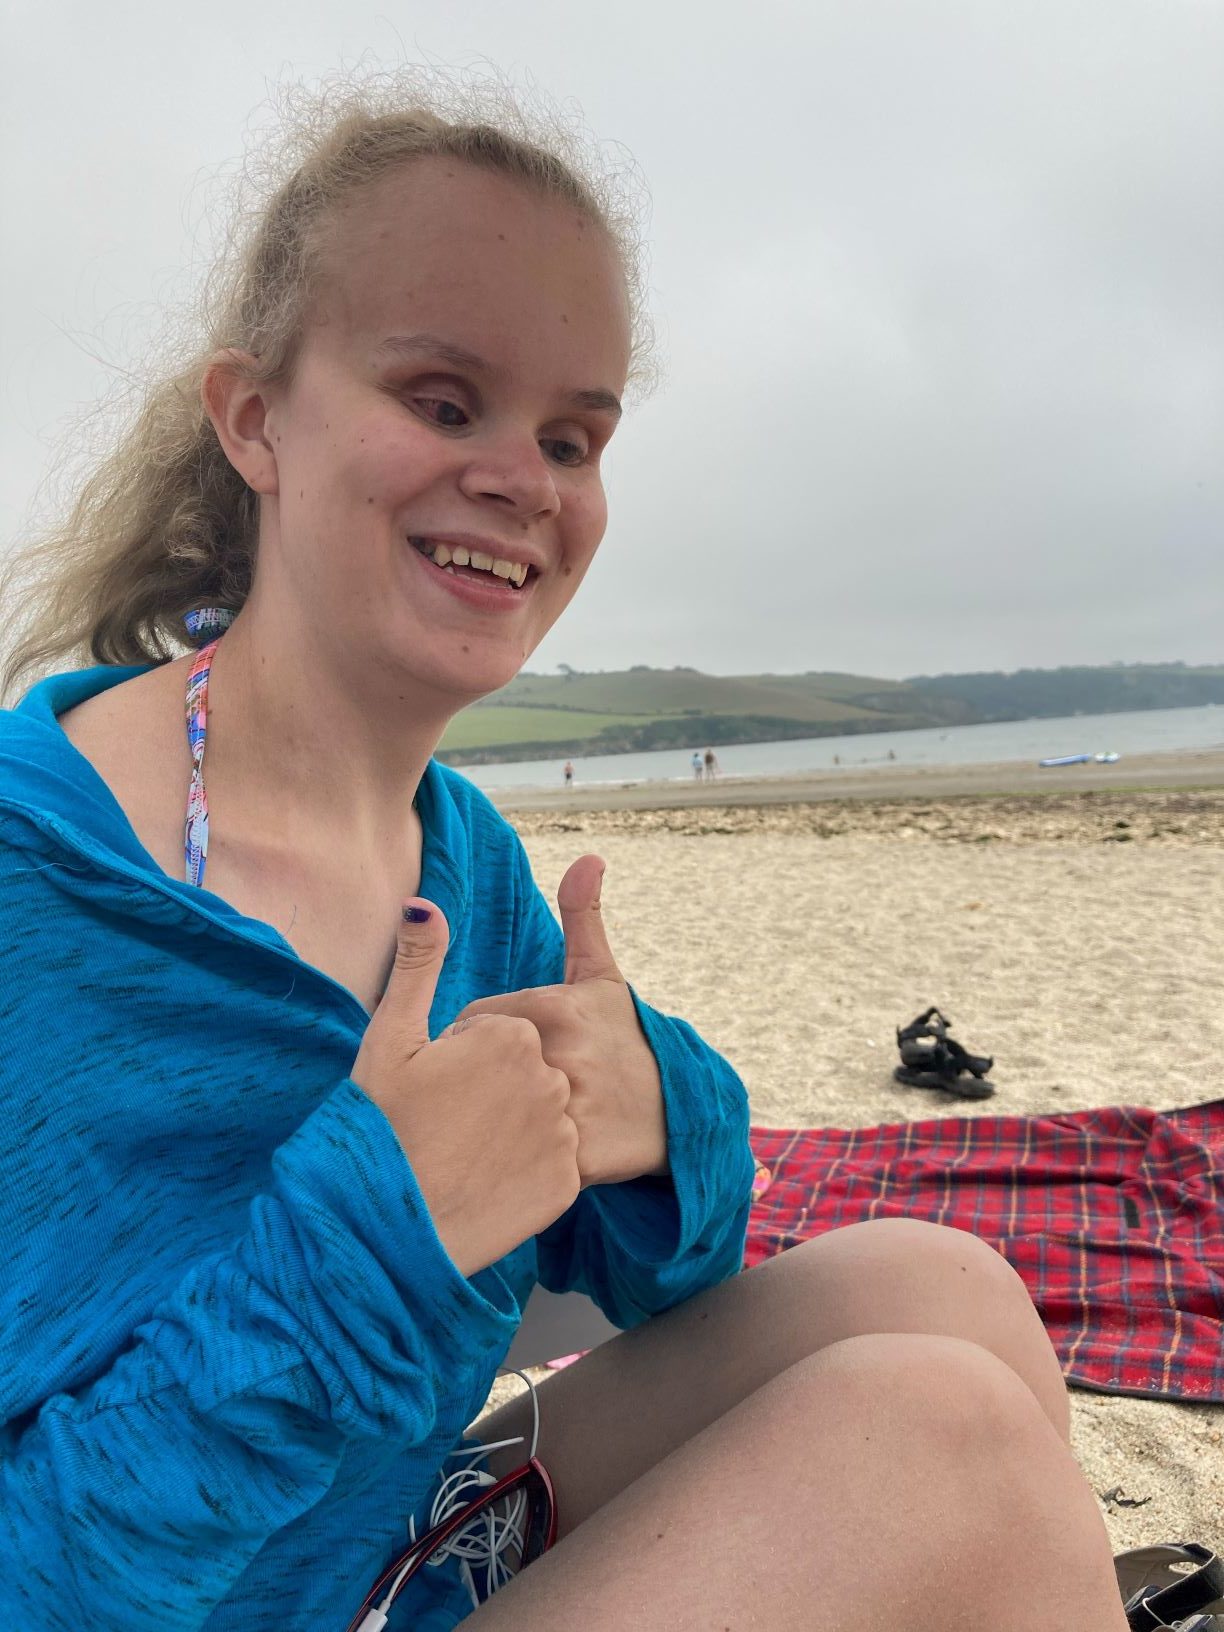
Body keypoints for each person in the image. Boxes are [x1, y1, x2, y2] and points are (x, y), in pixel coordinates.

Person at [0, 69, 1129, 1632]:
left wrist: (657, 1113)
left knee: (947, 1293)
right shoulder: (34, 890)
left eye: (573, 434)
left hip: (379, 1554)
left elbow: (659, 1262)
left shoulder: (457, 863)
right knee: (952, 1455)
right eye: (443, 400)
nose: (523, 480)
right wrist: (367, 1250)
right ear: (255, 418)